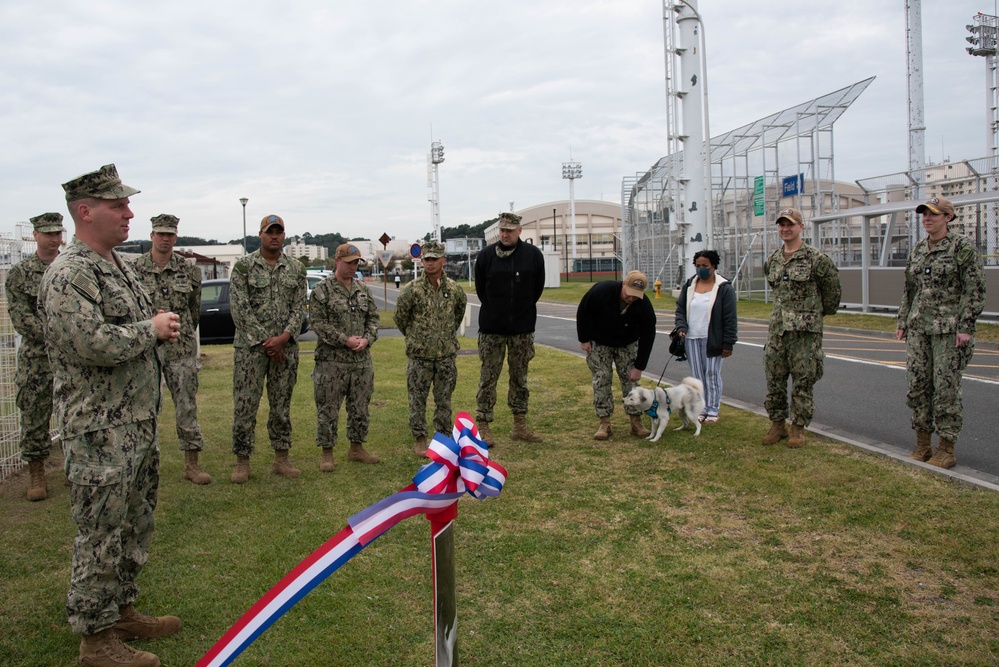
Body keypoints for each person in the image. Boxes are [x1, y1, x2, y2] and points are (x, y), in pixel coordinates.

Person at [40, 164, 182, 667]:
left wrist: (152, 328)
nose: (129, 213)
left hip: (135, 422)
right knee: (100, 533)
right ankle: (95, 641)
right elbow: (92, 342)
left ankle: (122, 610)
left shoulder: (115, 264)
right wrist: (152, 328)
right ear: (85, 211)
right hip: (99, 430)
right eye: (117, 205)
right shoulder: (70, 273)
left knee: (134, 523)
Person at [896, 196, 986, 469]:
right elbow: (909, 289)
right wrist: (902, 321)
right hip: (919, 329)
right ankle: (922, 444)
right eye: (924, 214)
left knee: (946, 389)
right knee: (918, 386)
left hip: (948, 330)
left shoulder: (962, 248)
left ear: (948, 217)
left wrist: (966, 327)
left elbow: (975, 289)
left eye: (933, 214)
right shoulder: (918, 250)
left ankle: (946, 448)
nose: (927, 218)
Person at [132, 214, 211, 485]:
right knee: (144, 407)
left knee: (186, 405)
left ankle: (192, 464)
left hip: (181, 347)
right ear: (151, 236)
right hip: (147, 348)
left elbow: (193, 309)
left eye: (170, 234)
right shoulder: (135, 269)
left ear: (176, 237)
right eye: (160, 233)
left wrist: (182, 331)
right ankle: (143, 465)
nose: (165, 238)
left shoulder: (189, 270)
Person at [229, 214, 307, 483]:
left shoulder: (297, 269)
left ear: (284, 235)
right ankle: (242, 461)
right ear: (260, 235)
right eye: (269, 231)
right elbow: (240, 311)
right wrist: (268, 342)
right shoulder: (243, 267)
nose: (275, 236)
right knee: (245, 405)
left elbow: (299, 308)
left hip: (285, 349)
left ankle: (281, 458)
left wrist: (283, 338)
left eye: (279, 231)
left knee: (281, 406)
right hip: (251, 350)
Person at [762, 208, 841, 448]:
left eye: (790, 224)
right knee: (774, 379)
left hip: (805, 333)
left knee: (803, 381)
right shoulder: (773, 260)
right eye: (781, 225)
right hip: (778, 331)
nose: (785, 229)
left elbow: (832, 294)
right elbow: (776, 290)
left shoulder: (816, 259)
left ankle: (798, 428)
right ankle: (778, 425)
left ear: (800, 227)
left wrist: (813, 315)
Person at [6, 212, 64, 501]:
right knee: (35, 415)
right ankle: (36, 473)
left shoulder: (70, 268)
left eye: (58, 233)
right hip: (37, 358)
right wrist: (62, 333)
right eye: (48, 233)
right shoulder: (20, 274)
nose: (54, 239)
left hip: (69, 358)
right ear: (35, 235)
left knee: (73, 413)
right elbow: (21, 319)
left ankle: (74, 468)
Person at [474, 211, 546, 445]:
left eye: (509, 230)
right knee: (488, 378)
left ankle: (520, 426)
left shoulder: (533, 256)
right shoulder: (485, 256)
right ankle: (483, 426)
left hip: (522, 329)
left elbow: (537, 289)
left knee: (520, 378)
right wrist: (496, 312)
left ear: (519, 231)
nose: (505, 234)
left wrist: (520, 312)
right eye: (502, 230)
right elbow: (481, 291)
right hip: (492, 329)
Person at [310, 243, 381, 468]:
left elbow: (374, 318)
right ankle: (327, 452)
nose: (353, 267)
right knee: (328, 407)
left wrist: (368, 338)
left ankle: (356, 448)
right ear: (337, 262)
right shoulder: (322, 290)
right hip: (332, 361)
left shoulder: (363, 289)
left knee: (360, 406)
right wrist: (344, 340)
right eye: (349, 263)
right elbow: (318, 323)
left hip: (361, 361)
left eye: (356, 263)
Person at [395, 241, 468, 455]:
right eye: (427, 259)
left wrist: (443, 336)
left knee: (444, 399)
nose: (430, 263)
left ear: (443, 261)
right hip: (420, 356)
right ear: (422, 261)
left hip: (445, 355)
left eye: (434, 259)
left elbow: (458, 314)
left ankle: (443, 437)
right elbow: (401, 318)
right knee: (417, 398)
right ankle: (419, 437)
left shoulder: (454, 289)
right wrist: (417, 338)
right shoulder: (412, 290)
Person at [576, 270, 657, 440]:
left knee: (631, 381)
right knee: (602, 378)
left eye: (636, 296)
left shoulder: (644, 305)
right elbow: (583, 311)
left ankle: (636, 422)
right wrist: (584, 339)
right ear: (623, 284)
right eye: (629, 294)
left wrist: (639, 367)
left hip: (627, 343)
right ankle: (604, 423)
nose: (631, 299)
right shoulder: (601, 291)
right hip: (600, 341)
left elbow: (648, 335)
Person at [674, 250, 738, 424]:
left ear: (713, 266)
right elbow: (680, 309)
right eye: (698, 266)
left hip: (713, 339)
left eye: (705, 266)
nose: (701, 269)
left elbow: (730, 318)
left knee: (711, 374)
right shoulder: (689, 285)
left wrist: (728, 343)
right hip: (692, 338)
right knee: (697, 376)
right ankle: (700, 409)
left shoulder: (724, 288)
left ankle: (713, 409)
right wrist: (681, 326)